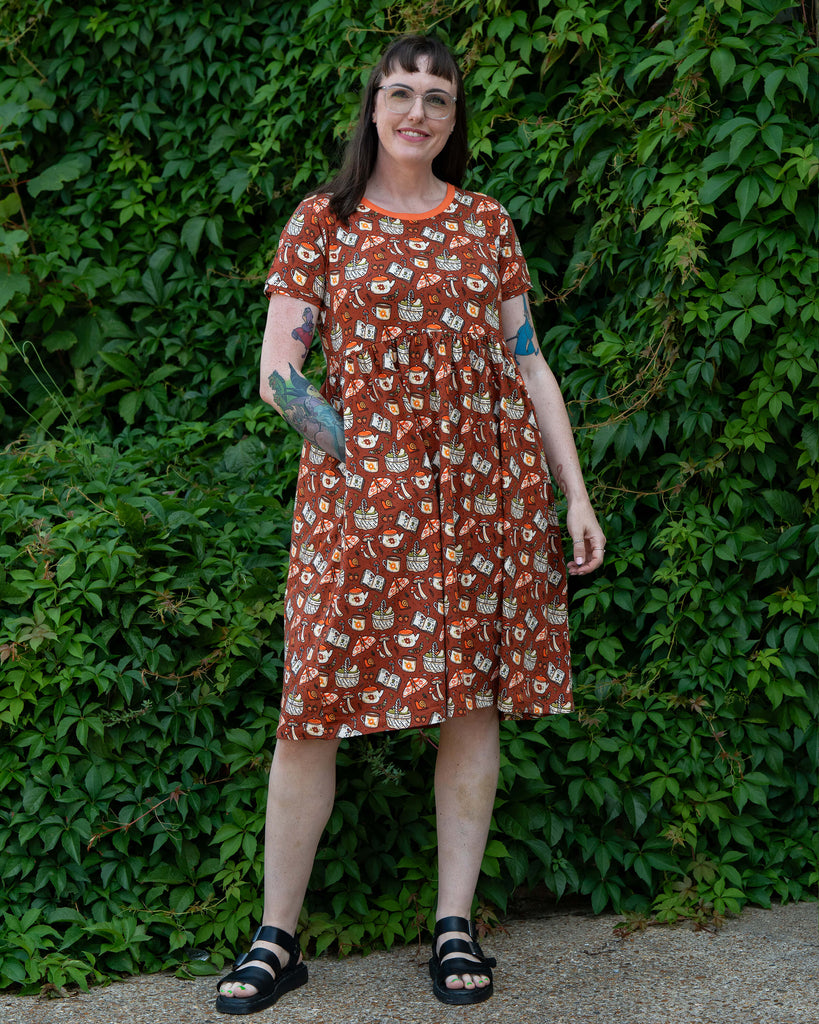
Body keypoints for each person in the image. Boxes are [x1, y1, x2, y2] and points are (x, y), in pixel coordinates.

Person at [215, 33, 605, 1015]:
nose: (419, 110)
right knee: (311, 703)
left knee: (470, 696)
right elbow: (278, 374)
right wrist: (362, 452)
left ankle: (454, 924)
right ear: (373, 107)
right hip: (356, 502)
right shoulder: (324, 223)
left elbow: (529, 361)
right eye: (402, 92)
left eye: (437, 96)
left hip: (486, 491)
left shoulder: (485, 223)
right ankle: (276, 938)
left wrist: (576, 492)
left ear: (453, 116)